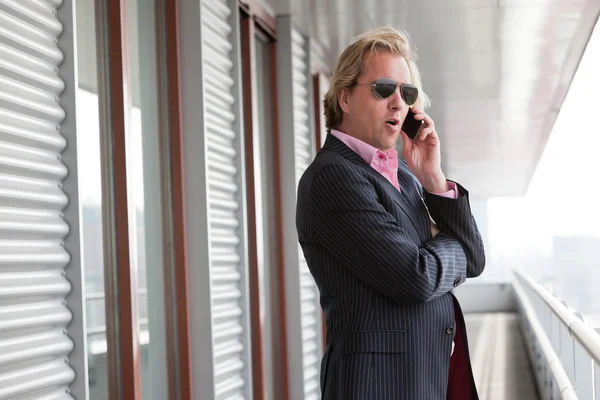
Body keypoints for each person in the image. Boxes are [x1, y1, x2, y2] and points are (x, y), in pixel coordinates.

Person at [296, 25, 486, 400]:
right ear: (345, 98)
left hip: (425, 379)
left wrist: (433, 178)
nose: (398, 103)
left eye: (407, 92)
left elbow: (475, 258)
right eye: (384, 88)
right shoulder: (334, 177)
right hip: (379, 385)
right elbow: (415, 276)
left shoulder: (403, 173)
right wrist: (441, 250)